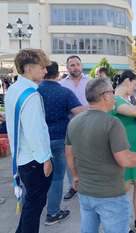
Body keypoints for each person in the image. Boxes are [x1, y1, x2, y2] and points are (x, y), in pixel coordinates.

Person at [65, 77, 136, 233]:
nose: (114, 96)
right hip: (111, 195)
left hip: (85, 193)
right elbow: (125, 159)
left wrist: (76, 176)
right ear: (105, 95)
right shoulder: (112, 122)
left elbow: (69, 155)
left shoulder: (74, 122)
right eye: (112, 92)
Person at [5, 48, 53, 233]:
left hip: (22, 158)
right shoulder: (31, 94)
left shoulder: (14, 89)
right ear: (28, 69)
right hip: (34, 161)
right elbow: (35, 132)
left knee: (30, 206)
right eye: (42, 67)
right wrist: (46, 160)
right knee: (33, 208)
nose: (45, 71)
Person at [37, 61, 86, 225]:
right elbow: (79, 112)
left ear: (43, 72)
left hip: (37, 140)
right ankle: (52, 213)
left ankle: (30, 209)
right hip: (59, 139)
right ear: (58, 74)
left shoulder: (34, 92)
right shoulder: (65, 92)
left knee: (34, 178)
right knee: (57, 178)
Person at [110, 71, 136, 233]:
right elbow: (133, 112)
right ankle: (122, 225)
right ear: (127, 81)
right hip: (125, 150)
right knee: (124, 188)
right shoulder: (113, 99)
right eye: (135, 84)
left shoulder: (128, 98)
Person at [59, 55, 93, 201]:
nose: (75, 67)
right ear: (67, 67)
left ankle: (90, 185)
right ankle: (73, 186)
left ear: (81, 66)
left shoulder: (91, 82)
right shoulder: (61, 84)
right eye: (72, 65)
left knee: (89, 155)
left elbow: (97, 100)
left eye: (78, 64)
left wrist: (82, 109)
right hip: (69, 126)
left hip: (89, 124)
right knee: (70, 156)